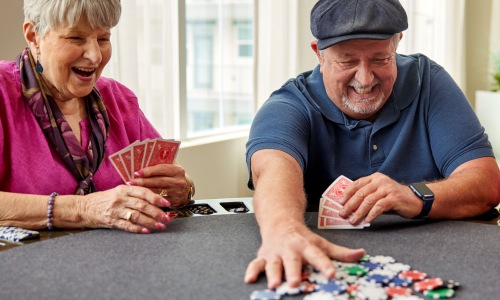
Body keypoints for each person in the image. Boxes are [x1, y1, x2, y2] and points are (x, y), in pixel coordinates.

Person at [244, 0, 500, 289]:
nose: (365, 79)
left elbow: (486, 182)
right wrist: (284, 229)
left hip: (439, 265)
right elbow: (272, 169)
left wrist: (413, 196)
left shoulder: (429, 81)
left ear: (397, 43)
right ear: (319, 54)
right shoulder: (289, 104)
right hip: (333, 270)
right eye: (347, 60)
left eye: (380, 59)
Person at [0, 0, 195, 234]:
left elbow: (169, 182)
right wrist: (84, 209)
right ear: (34, 36)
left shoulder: (119, 99)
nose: (94, 56)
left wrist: (181, 190)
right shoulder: (4, 93)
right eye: (76, 38)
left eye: (103, 39)